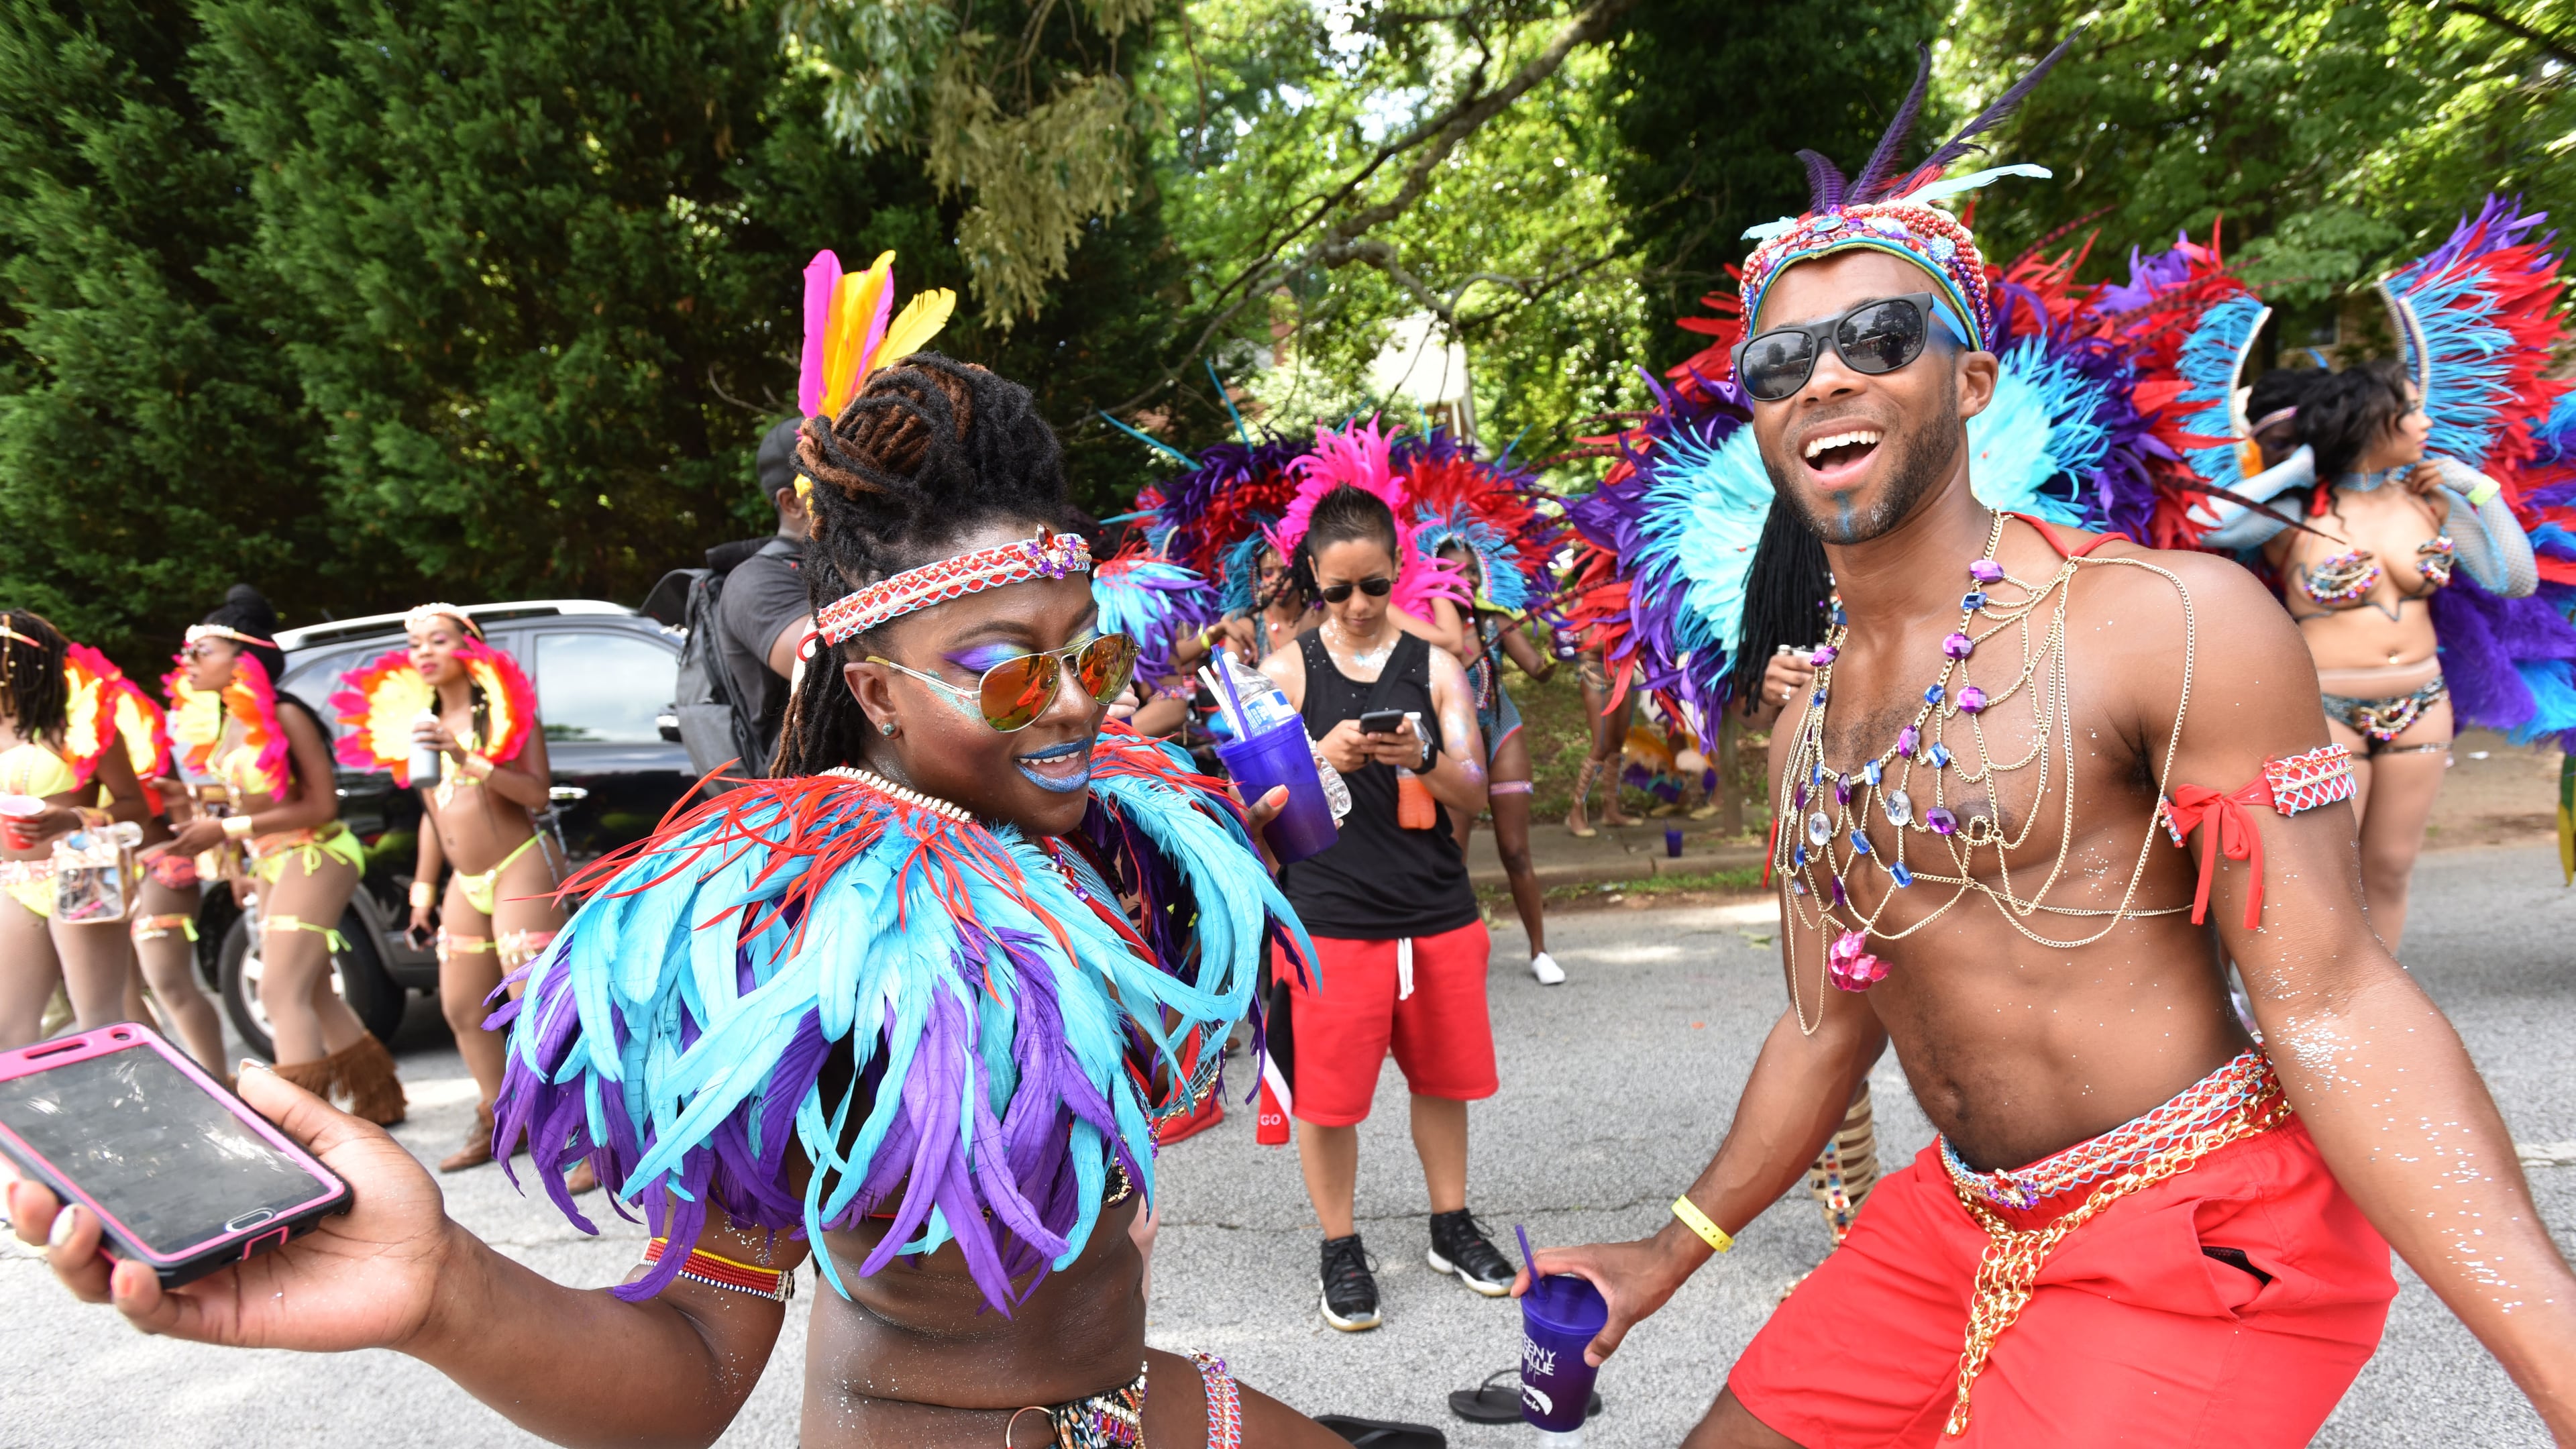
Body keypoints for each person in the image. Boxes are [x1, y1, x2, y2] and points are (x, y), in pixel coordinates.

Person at [1527, 50, 2576, 1448]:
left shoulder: (2162, 622)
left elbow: (2335, 1004)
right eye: (1782, 363)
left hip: (2197, 1226)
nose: (1827, 377)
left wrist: (2557, 1356)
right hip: (1957, 1217)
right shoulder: (1807, 726)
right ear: (1761, 420)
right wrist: (1666, 1255)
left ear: (1968, 381)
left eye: (1880, 341)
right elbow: (1825, 1021)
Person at [11, 356, 1352, 1449]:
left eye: (1093, 651)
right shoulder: (789, 939)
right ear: (877, 692)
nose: (1071, 702)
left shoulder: (1109, 835)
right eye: (1007, 672)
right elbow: (696, 1365)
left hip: (1135, 1408)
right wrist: (445, 1294)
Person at [1257, 482, 1515, 1332]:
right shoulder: (1286, 670)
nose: (1359, 606)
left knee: (1445, 1083)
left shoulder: (1436, 666)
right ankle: (1341, 1246)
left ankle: (1450, 1223)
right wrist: (1315, 757)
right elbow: (1248, 807)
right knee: (1328, 1101)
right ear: (1314, 582)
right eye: (1338, 591)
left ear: (1399, 572)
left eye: (1375, 586)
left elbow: (1473, 789)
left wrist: (1423, 755)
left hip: (1437, 909)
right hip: (1330, 920)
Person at [2251, 362, 2534, 950]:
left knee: (2390, 868)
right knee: (2319, 874)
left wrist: (2479, 490)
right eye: (2410, 409)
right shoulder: (2295, 511)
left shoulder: (2429, 500)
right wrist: (2298, 468)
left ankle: (2381, 1015)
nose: (2425, 421)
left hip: (2423, 703)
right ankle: (2303, 1009)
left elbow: (2515, 579)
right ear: (2369, 420)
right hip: (2323, 710)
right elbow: (2207, 525)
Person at [152, 586, 405, 1123]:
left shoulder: (288, 714)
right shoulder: (230, 718)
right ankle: (378, 1096)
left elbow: (319, 808)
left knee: (278, 987)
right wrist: (206, 821)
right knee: (310, 986)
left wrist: (226, 831)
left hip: (318, 853)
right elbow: (251, 798)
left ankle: (304, 1130)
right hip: (272, 860)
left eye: (203, 651)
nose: (188, 662)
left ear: (244, 657)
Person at [334, 606, 566, 1171]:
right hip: (465, 881)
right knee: (462, 1007)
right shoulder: (419, 724)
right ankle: (503, 1121)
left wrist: (466, 756)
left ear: (471, 647)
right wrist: (421, 893)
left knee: (534, 1007)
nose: (424, 652)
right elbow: (431, 813)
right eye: (415, 644)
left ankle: (580, 1133)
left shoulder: (507, 714)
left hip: (519, 863)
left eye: (438, 640)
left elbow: (536, 795)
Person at [0, 612, 151, 1049]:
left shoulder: (82, 724)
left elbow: (135, 807)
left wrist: (72, 818)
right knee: (10, 1030)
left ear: (23, 660)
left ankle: (134, 1113)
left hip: (84, 868)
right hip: (12, 880)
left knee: (99, 1019)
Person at [708, 418, 818, 773]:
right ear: (791, 502)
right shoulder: (754, 581)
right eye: (828, 477)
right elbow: (821, 664)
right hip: (811, 806)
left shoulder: (849, 563)